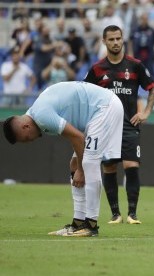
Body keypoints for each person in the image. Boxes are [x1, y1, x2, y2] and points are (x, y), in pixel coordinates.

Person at [2, 81, 124, 237]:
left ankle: (91, 225)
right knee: (74, 165)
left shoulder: (42, 116)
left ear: (25, 126)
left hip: (105, 107)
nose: (29, 141)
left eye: (25, 139)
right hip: (94, 114)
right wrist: (77, 167)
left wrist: (81, 169)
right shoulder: (34, 114)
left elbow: (78, 137)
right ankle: (78, 223)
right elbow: (75, 135)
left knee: (88, 163)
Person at [84, 25, 154, 225]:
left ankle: (132, 214)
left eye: (118, 38)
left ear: (123, 39)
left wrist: (146, 112)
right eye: (111, 39)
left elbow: (152, 88)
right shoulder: (97, 69)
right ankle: (115, 214)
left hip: (129, 124)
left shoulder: (135, 66)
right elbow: (85, 95)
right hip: (106, 127)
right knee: (109, 167)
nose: (116, 42)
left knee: (131, 165)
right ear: (104, 41)